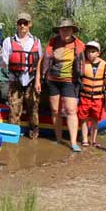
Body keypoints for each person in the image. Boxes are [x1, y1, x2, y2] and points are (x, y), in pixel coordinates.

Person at [41, 18, 86, 152]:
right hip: (52, 80)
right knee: (55, 110)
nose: (65, 31)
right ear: (59, 31)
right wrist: (39, 79)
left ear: (72, 31)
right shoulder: (53, 42)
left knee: (71, 110)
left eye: (68, 29)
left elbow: (86, 62)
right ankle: (58, 139)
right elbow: (44, 60)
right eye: (63, 29)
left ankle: (73, 142)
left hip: (69, 81)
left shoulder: (79, 45)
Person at [0, 13, 43, 139]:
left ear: (30, 24)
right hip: (15, 80)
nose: (22, 25)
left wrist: (38, 80)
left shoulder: (36, 41)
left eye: (25, 23)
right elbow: (4, 63)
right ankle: (13, 136)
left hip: (32, 80)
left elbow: (39, 61)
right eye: (20, 23)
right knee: (14, 110)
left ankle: (34, 135)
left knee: (33, 109)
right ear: (17, 25)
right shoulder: (8, 41)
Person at [77, 41, 106, 148]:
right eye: (88, 52)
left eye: (93, 52)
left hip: (98, 98)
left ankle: (93, 140)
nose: (90, 54)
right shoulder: (82, 64)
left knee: (95, 120)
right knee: (84, 119)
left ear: (98, 53)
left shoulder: (104, 65)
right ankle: (85, 139)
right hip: (84, 97)